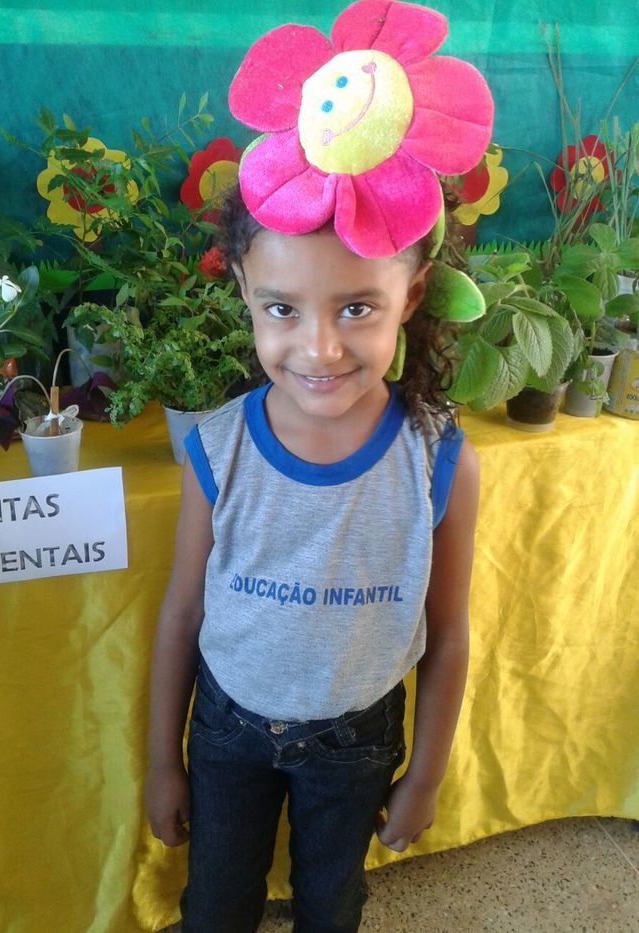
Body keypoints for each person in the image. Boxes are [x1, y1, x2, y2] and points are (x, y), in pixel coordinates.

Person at [145, 2, 493, 930]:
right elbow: (184, 609)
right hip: (224, 730)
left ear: (411, 295)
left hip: (358, 739)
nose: (319, 348)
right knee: (216, 903)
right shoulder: (217, 446)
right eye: (282, 309)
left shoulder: (440, 461)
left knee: (330, 906)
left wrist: (425, 771)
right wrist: (160, 758)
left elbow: (448, 633)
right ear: (247, 298)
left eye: (356, 309)